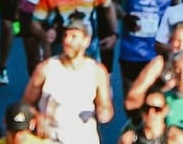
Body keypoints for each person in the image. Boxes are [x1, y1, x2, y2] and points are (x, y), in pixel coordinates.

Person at [22, 12, 114, 144]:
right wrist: (38, 118)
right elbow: (26, 103)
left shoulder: (97, 71)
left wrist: (104, 112)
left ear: (86, 41)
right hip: (51, 139)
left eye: (74, 36)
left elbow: (105, 105)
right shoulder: (46, 69)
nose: (67, 41)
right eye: (65, 35)